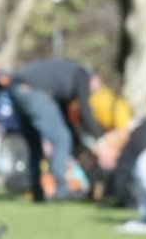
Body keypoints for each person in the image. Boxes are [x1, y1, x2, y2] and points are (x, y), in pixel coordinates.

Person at [8, 57, 106, 202]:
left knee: (35, 145)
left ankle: (37, 192)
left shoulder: (67, 80)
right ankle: (61, 191)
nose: (91, 93)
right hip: (34, 92)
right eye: (96, 88)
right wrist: (99, 139)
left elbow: (64, 116)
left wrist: (78, 138)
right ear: (95, 78)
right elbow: (85, 110)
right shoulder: (83, 75)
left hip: (16, 90)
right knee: (62, 139)